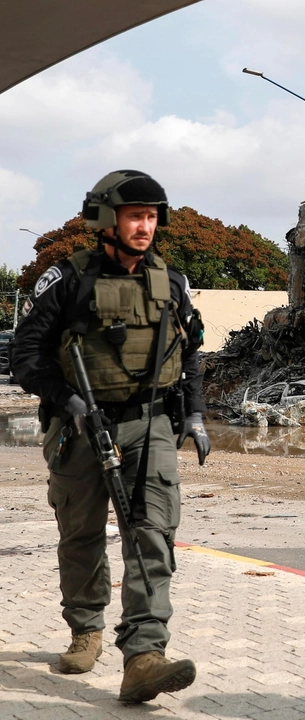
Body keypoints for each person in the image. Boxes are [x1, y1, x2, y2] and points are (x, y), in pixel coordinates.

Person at [11, 170, 210, 704]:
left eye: (151, 217)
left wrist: (194, 415)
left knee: (153, 531)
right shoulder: (65, 279)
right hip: (79, 426)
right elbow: (24, 358)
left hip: (151, 423)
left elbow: (188, 354)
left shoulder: (172, 281)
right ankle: (85, 627)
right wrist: (69, 401)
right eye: (134, 216)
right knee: (82, 535)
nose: (145, 227)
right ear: (106, 221)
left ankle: (144, 655)